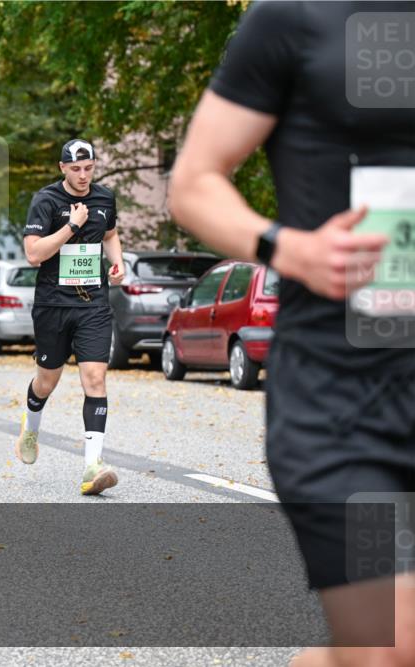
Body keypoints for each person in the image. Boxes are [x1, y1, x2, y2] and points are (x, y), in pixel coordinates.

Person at [169, 3, 414, 665]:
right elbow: (193, 183)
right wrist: (289, 248)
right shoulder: (299, 18)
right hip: (349, 404)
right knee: (394, 642)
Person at [16, 138, 126, 496]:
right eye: (75, 169)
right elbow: (34, 254)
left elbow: (110, 234)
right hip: (52, 305)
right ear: (62, 168)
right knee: (47, 381)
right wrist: (72, 226)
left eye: (89, 169)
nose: (83, 176)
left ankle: (92, 466)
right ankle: (31, 426)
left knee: (95, 378)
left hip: (93, 303)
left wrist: (118, 261)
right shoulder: (45, 201)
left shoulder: (105, 198)